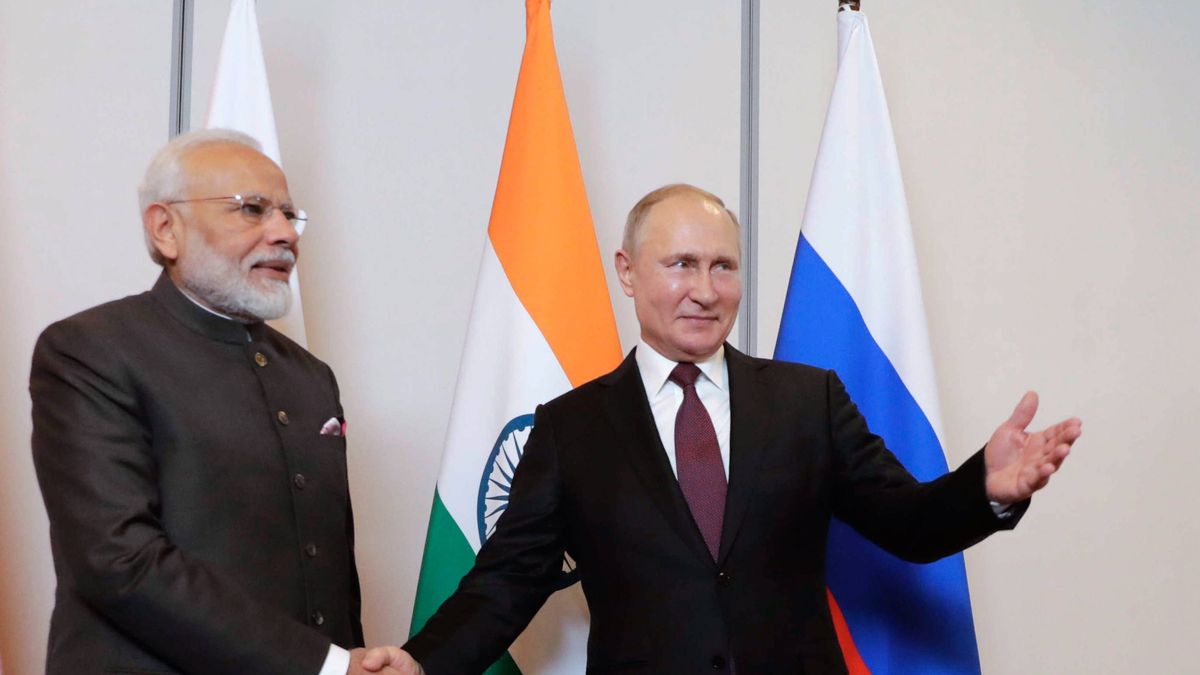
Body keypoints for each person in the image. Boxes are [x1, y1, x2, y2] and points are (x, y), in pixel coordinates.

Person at [365, 184, 1082, 675]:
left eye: (723, 266)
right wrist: (422, 658)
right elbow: (508, 580)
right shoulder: (569, 428)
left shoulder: (808, 400)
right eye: (680, 264)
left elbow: (909, 523)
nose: (705, 290)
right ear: (627, 271)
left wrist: (983, 490)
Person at [30, 129, 400, 675]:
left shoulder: (311, 377)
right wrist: (323, 666)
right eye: (251, 209)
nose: (284, 234)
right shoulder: (90, 350)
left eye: (288, 214)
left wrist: (350, 664)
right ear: (166, 228)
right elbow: (119, 561)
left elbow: (327, 569)